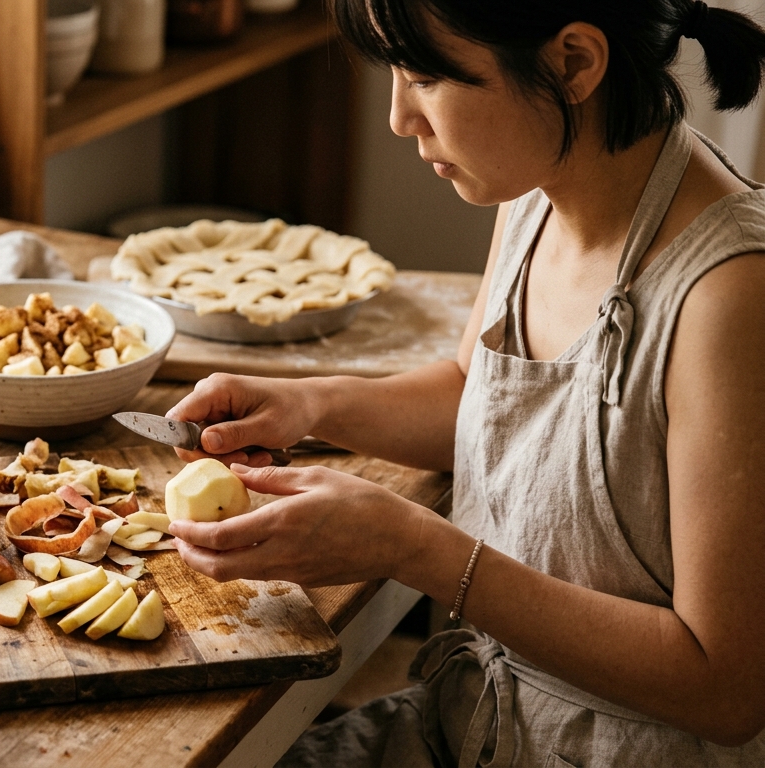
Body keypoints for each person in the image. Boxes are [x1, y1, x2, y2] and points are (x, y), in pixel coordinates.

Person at [162, 0, 765, 765]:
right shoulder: (531, 188)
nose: (398, 118)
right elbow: (480, 395)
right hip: (469, 724)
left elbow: (725, 689)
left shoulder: (731, 297)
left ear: (574, 62)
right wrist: (308, 402)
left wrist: (413, 547)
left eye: (424, 76)